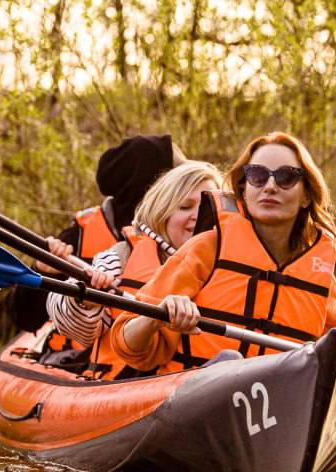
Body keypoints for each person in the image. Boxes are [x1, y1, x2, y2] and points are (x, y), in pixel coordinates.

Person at [105, 132, 336, 397]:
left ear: (306, 194)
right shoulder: (206, 248)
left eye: (286, 176)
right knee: (228, 359)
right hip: (193, 400)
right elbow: (126, 342)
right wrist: (157, 317)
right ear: (244, 189)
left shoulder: (319, 272)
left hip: (277, 407)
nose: (270, 186)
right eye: (257, 176)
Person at [43, 160, 222, 379]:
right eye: (185, 207)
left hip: (208, 386)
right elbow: (67, 322)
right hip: (122, 391)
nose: (197, 215)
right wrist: (87, 298)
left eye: (206, 208)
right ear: (162, 211)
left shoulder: (229, 264)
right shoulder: (120, 258)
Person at [9, 133, 184, 346]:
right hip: (86, 360)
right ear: (150, 184)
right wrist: (42, 271)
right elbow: (26, 319)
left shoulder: (183, 234)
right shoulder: (77, 237)